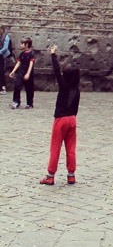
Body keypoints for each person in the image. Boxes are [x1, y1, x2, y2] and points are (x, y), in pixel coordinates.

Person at [39, 45, 80, 185]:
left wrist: (53, 55)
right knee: (71, 149)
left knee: (55, 148)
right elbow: (76, 109)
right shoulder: (77, 90)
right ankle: (71, 175)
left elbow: (56, 71)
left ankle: (50, 176)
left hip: (61, 119)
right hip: (72, 119)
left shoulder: (63, 86)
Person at [9, 37, 35, 109]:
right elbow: (18, 63)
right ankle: (16, 101)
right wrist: (13, 71)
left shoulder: (31, 54)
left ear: (26, 45)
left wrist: (28, 74)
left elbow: (31, 64)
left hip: (28, 73)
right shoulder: (22, 54)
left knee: (29, 89)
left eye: (22, 44)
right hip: (21, 72)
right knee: (17, 86)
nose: (20, 45)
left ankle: (29, 103)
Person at [0, 26, 12, 94]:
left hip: (3, 55)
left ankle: (3, 88)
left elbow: (5, 48)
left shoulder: (6, 37)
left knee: (1, 71)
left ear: (2, 30)